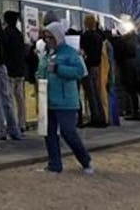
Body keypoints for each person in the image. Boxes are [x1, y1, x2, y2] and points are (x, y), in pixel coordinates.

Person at [37, 22, 94, 174]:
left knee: (68, 132)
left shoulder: (70, 53)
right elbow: (41, 72)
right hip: (48, 99)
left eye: (50, 37)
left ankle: (85, 160)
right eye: (45, 37)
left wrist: (58, 69)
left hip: (65, 101)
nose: (47, 40)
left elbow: (79, 72)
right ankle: (54, 164)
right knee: (49, 134)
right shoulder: (46, 53)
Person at [0, 14, 21, 141]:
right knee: (6, 99)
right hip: (4, 68)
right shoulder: (5, 35)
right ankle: (13, 129)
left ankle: (1, 130)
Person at [1, 11, 28, 134]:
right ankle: (22, 123)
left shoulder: (6, 34)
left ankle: (12, 123)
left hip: (10, 70)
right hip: (20, 70)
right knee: (20, 98)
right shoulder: (19, 34)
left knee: (9, 98)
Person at [79, 15, 107, 128]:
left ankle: (95, 117)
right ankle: (101, 116)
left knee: (90, 93)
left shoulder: (86, 36)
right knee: (95, 91)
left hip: (88, 66)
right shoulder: (99, 36)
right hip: (96, 66)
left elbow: (83, 52)